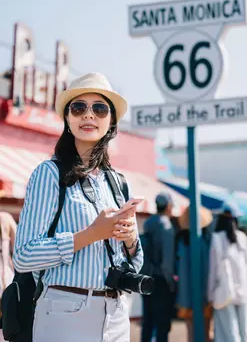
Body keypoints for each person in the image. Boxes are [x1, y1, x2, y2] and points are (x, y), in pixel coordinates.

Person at [12, 72, 143, 342]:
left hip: (117, 314)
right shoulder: (49, 173)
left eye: (99, 108)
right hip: (64, 313)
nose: (88, 115)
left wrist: (130, 240)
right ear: (67, 120)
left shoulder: (118, 182)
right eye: (78, 107)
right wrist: (92, 234)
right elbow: (23, 256)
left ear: (111, 122)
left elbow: (136, 262)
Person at [208, 211, 247, 342]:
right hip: (244, 290)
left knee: (230, 334)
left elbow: (213, 270)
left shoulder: (216, 238)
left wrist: (210, 294)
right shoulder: (242, 237)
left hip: (224, 292)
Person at [141, 192, 176, 342]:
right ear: (168, 206)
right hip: (161, 280)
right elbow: (167, 261)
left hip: (146, 277)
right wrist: (171, 282)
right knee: (162, 324)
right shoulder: (166, 225)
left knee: (147, 321)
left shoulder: (148, 222)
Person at [175, 205, 213, 342]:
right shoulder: (207, 241)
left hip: (187, 295)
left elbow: (180, 271)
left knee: (191, 333)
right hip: (206, 293)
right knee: (207, 331)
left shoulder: (181, 242)